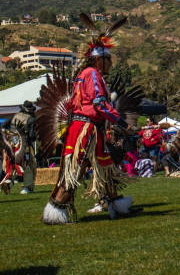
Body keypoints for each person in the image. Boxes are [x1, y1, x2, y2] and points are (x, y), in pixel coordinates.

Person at [41, 15, 134, 224]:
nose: (111, 63)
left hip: (89, 129)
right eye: (109, 59)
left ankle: (116, 204)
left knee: (105, 167)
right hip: (86, 129)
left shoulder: (87, 73)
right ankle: (56, 208)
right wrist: (120, 122)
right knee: (77, 169)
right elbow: (99, 104)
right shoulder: (92, 74)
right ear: (99, 59)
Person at [0, 101, 38, 194]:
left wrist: (10, 136)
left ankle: (9, 182)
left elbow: (4, 125)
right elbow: (32, 135)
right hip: (24, 145)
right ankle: (27, 187)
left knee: (13, 164)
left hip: (12, 145)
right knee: (27, 165)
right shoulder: (31, 119)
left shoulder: (15, 115)